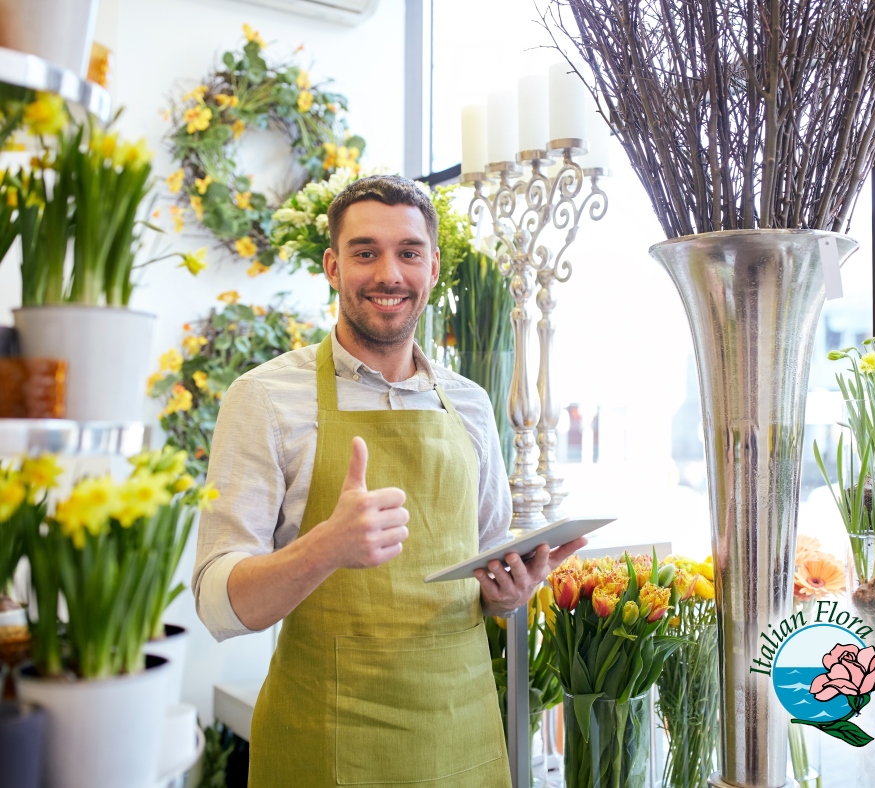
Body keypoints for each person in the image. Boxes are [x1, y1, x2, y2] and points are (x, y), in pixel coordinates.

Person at [192, 174, 586, 787]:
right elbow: (218, 604)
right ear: (332, 265)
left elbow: (486, 570)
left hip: (460, 733)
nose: (389, 275)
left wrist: (510, 593)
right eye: (365, 252)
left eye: (408, 253)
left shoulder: (472, 404)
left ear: (432, 267)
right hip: (325, 739)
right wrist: (324, 548)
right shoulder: (265, 398)